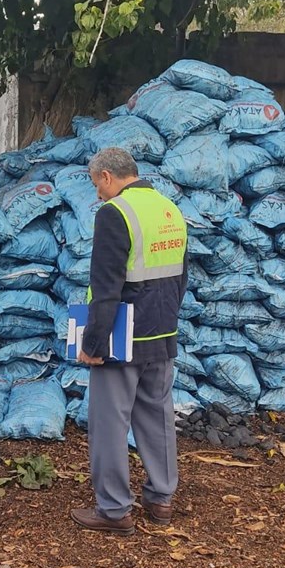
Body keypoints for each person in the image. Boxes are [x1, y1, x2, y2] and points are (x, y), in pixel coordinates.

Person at [71, 147, 189, 535]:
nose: (97, 195)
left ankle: (113, 509)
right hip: (163, 332)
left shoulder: (115, 213)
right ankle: (162, 499)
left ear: (107, 176)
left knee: (109, 422)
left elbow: (106, 287)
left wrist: (93, 342)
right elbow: (180, 277)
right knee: (157, 417)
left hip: (124, 336)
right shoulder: (170, 209)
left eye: (96, 185)